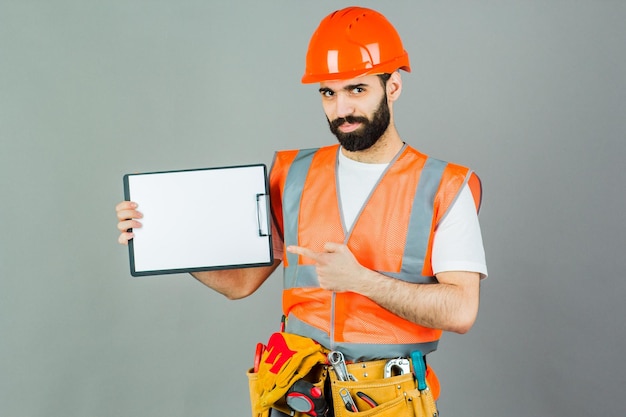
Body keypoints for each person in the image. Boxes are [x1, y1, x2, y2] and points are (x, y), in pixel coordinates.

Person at [116, 6, 487, 416]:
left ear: (393, 86)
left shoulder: (447, 187)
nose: (341, 108)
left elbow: (461, 310)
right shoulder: (292, 176)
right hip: (297, 394)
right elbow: (240, 283)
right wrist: (165, 240)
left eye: (356, 90)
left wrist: (361, 280)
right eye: (329, 93)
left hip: (387, 400)